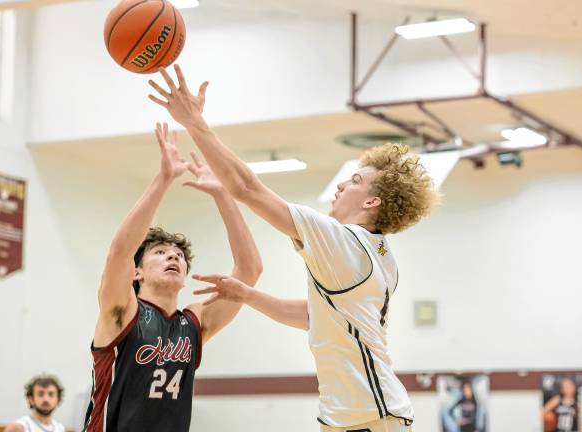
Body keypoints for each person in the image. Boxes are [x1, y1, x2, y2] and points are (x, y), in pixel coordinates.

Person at [148, 66, 439, 432]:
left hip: (368, 418)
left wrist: (194, 123)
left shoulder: (343, 241)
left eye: (354, 181)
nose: (340, 187)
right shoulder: (380, 255)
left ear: (372, 202)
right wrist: (248, 295)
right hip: (362, 416)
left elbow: (248, 188)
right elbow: (315, 315)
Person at [82, 123, 262, 432]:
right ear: (136, 272)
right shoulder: (122, 312)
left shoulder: (193, 323)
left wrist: (222, 195)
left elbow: (250, 271)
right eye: (160, 252)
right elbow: (119, 251)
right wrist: (164, 179)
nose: (173, 257)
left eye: (178, 255)